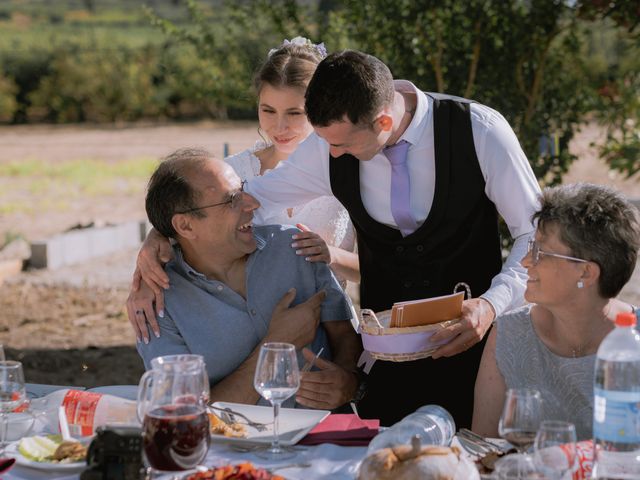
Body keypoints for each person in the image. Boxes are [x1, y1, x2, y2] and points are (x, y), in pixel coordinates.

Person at [133, 49, 542, 426]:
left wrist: (491, 305)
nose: (329, 155)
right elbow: (241, 201)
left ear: (383, 121)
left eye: (341, 144)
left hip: (478, 347)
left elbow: (534, 233)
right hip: (387, 360)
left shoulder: (480, 131)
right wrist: (159, 238)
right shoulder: (327, 145)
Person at [128, 37, 359, 342]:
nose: (279, 126)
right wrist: (154, 246)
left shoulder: (351, 171)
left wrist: (331, 256)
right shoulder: (233, 173)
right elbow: (189, 223)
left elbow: (381, 269)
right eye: (268, 110)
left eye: (295, 113)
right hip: (249, 334)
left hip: (333, 330)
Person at [136, 148, 360, 408]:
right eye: (232, 199)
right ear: (186, 226)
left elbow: (344, 335)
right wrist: (277, 344)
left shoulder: (295, 247)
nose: (252, 203)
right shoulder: (156, 305)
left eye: (243, 189)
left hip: (326, 438)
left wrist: (348, 380)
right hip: (229, 446)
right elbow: (186, 412)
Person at [472, 183, 640, 440]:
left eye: (540, 251)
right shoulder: (508, 335)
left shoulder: (634, 343)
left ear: (586, 272)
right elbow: (481, 450)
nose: (526, 261)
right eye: (531, 246)